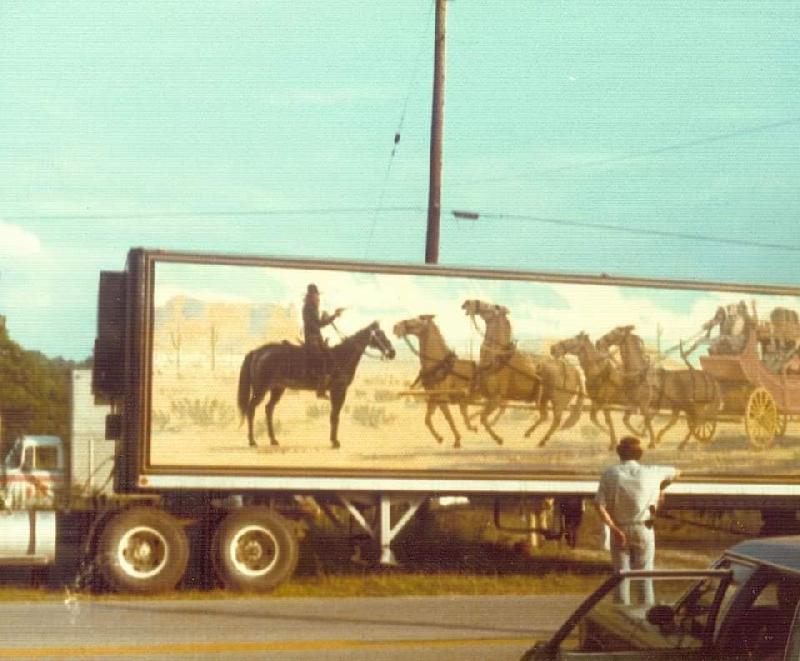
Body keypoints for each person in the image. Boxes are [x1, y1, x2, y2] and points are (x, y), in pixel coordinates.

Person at [594, 436, 680, 606]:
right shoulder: (653, 471)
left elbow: (599, 505)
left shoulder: (610, 474)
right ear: (639, 454)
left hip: (619, 528)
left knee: (621, 576)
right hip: (643, 528)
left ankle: (620, 618)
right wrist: (661, 488)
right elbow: (678, 472)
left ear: (619, 453)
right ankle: (645, 615)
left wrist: (613, 528)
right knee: (645, 576)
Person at [302, 284, 343, 398]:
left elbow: (318, 324)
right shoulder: (307, 308)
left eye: (318, 295)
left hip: (317, 338)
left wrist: (332, 316)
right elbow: (315, 325)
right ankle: (320, 390)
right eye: (316, 295)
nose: (318, 298)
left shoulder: (313, 308)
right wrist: (329, 317)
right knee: (321, 358)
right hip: (312, 339)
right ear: (311, 296)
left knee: (330, 357)